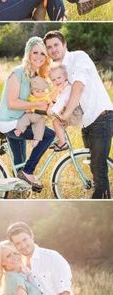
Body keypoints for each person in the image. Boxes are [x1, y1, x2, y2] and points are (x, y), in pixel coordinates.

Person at [44, 31, 113, 198]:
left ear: (64, 44)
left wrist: (66, 113)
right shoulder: (59, 72)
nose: (53, 49)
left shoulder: (78, 58)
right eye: (49, 47)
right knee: (94, 169)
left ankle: (100, 204)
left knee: (98, 169)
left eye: (56, 45)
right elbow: (66, 97)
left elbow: (79, 86)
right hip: (87, 123)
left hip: (101, 117)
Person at [0, 36, 56, 190]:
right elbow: (12, 102)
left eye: (43, 54)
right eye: (35, 52)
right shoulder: (17, 73)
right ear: (28, 53)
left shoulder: (35, 76)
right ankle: (29, 171)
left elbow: (39, 99)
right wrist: (37, 104)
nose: (39, 57)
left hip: (21, 120)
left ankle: (18, 192)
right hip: (9, 122)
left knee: (19, 162)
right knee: (49, 135)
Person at [13, 74, 57, 144]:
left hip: (40, 117)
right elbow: (26, 104)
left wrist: (50, 108)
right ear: (32, 91)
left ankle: (37, 139)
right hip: (31, 114)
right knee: (24, 119)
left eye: (42, 91)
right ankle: (19, 130)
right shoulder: (30, 97)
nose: (40, 93)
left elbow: (51, 103)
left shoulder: (46, 97)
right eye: (37, 91)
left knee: (40, 127)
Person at [48, 64, 83, 151]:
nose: (56, 81)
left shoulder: (67, 89)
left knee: (56, 122)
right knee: (59, 124)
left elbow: (61, 102)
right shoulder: (62, 88)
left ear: (65, 76)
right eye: (53, 80)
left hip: (74, 113)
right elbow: (57, 100)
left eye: (59, 78)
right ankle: (58, 138)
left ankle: (63, 143)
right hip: (70, 112)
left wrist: (52, 110)